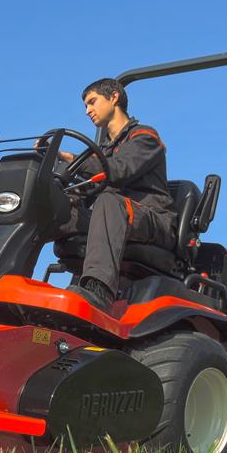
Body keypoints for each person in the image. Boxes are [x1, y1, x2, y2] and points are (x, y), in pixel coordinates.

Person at [58, 78, 177, 312]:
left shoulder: (144, 137)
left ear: (114, 97)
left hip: (154, 220)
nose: (87, 111)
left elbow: (119, 171)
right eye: (85, 106)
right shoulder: (103, 151)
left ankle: (98, 290)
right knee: (62, 208)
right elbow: (90, 185)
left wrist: (72, 159)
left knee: (109, 201)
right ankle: (5, 278)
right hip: (116, 213)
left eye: (92, 102)